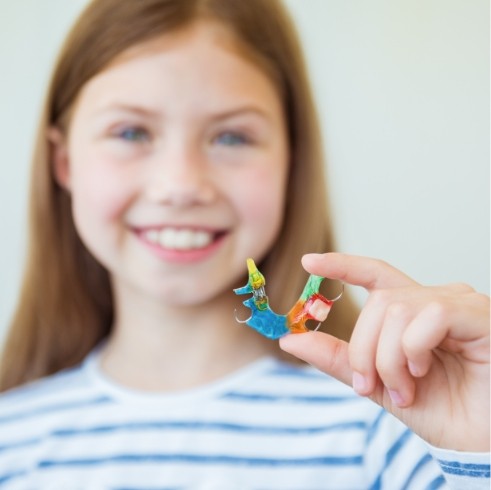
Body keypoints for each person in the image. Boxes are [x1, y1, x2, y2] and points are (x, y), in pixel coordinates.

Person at [0, 0, 489, 488]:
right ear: (63, 163)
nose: (181, 184)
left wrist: (478, 447)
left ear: (291, 164)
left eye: (231, 137)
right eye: (130, 132)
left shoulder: (398, 431)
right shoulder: (11, 444)